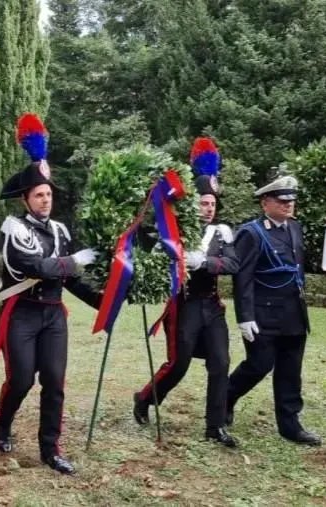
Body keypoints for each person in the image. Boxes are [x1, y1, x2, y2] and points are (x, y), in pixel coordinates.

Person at [0, 113, 101, 475]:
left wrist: (104, 300)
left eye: (48, 194)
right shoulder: (14, 229)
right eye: (39, 195)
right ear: (26, 198)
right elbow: (32, 267)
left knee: (54, 380)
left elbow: (68, 279)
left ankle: (50, 448)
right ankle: (4, 423)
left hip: (53, 315)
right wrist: (73, 261)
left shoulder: (61, 231)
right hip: (21, 312)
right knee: (21, 379)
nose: (45, 200)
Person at [132, 138, 239, 447]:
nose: (208, 209)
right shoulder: (175, 229)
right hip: (184, 304)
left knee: (220, 362)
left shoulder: (223, 232)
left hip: (212, 306)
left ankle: (215, 426)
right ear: (194, 204)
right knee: (177, 365)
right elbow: (147, 240)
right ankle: (144, 398)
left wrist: (204, 261)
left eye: (212, 204)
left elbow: (232, 263)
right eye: (203, 203)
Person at [226, 175, 321, 446]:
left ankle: (290, 425)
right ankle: (226, 397)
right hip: (263, 314)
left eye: (291, 201)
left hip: (293, 313)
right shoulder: (252, 232)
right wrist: (245, 317)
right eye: (281, 201)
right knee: (259, 365)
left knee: (291, 371)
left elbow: (298, 267)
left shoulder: (294, 228)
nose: (288, 206)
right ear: (265, 202)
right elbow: (242, 277)